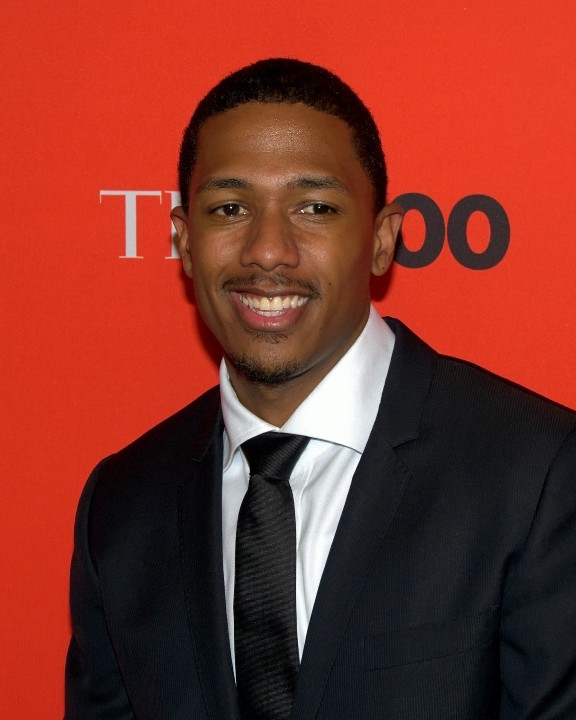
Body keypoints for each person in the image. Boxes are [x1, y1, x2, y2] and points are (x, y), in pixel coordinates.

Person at [65, 58, 576, 719]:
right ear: (184, 242)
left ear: (382, 240)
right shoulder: (123, 507)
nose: (267, 249)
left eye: (314, 208)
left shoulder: (537, 473)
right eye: (230, 208)